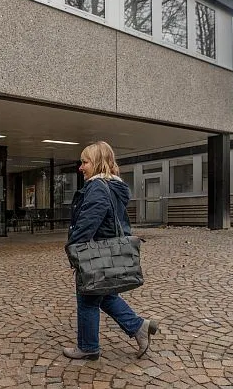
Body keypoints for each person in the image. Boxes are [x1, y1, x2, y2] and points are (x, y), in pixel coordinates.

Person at [63, 141, 158, 360]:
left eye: (85, 162)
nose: (81, 167)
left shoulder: (97, 187)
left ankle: (88, 347)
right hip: (107, 255)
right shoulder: (113, 186)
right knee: (102, 294)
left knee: (87, 297)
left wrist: (73, 249)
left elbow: (88, 223)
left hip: (95, 253)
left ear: (96, 163)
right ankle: (138, 327)